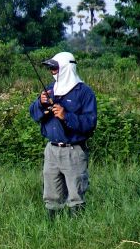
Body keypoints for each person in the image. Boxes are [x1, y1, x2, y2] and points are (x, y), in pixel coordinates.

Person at [28, 51, 97, 217]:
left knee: (75, 195)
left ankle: (77, 231)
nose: (52, 71)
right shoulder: (51, 89)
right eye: (51, 68)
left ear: (66, 68)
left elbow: (90, 124)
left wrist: (66, 116)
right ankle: (53, 229)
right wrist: (41, 103)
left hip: (73, 151)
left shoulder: (84, 92)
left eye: (55, 68)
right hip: (51, 150)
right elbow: (33, 114)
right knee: (51, 195)